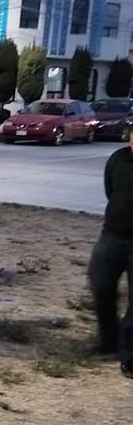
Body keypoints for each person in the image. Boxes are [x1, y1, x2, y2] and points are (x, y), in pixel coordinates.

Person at [89, 126, 132, 378]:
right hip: (113, 235)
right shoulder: (118, 159)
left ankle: (129, 356)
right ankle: (109, 343)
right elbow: (110, 190)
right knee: (101, 286)